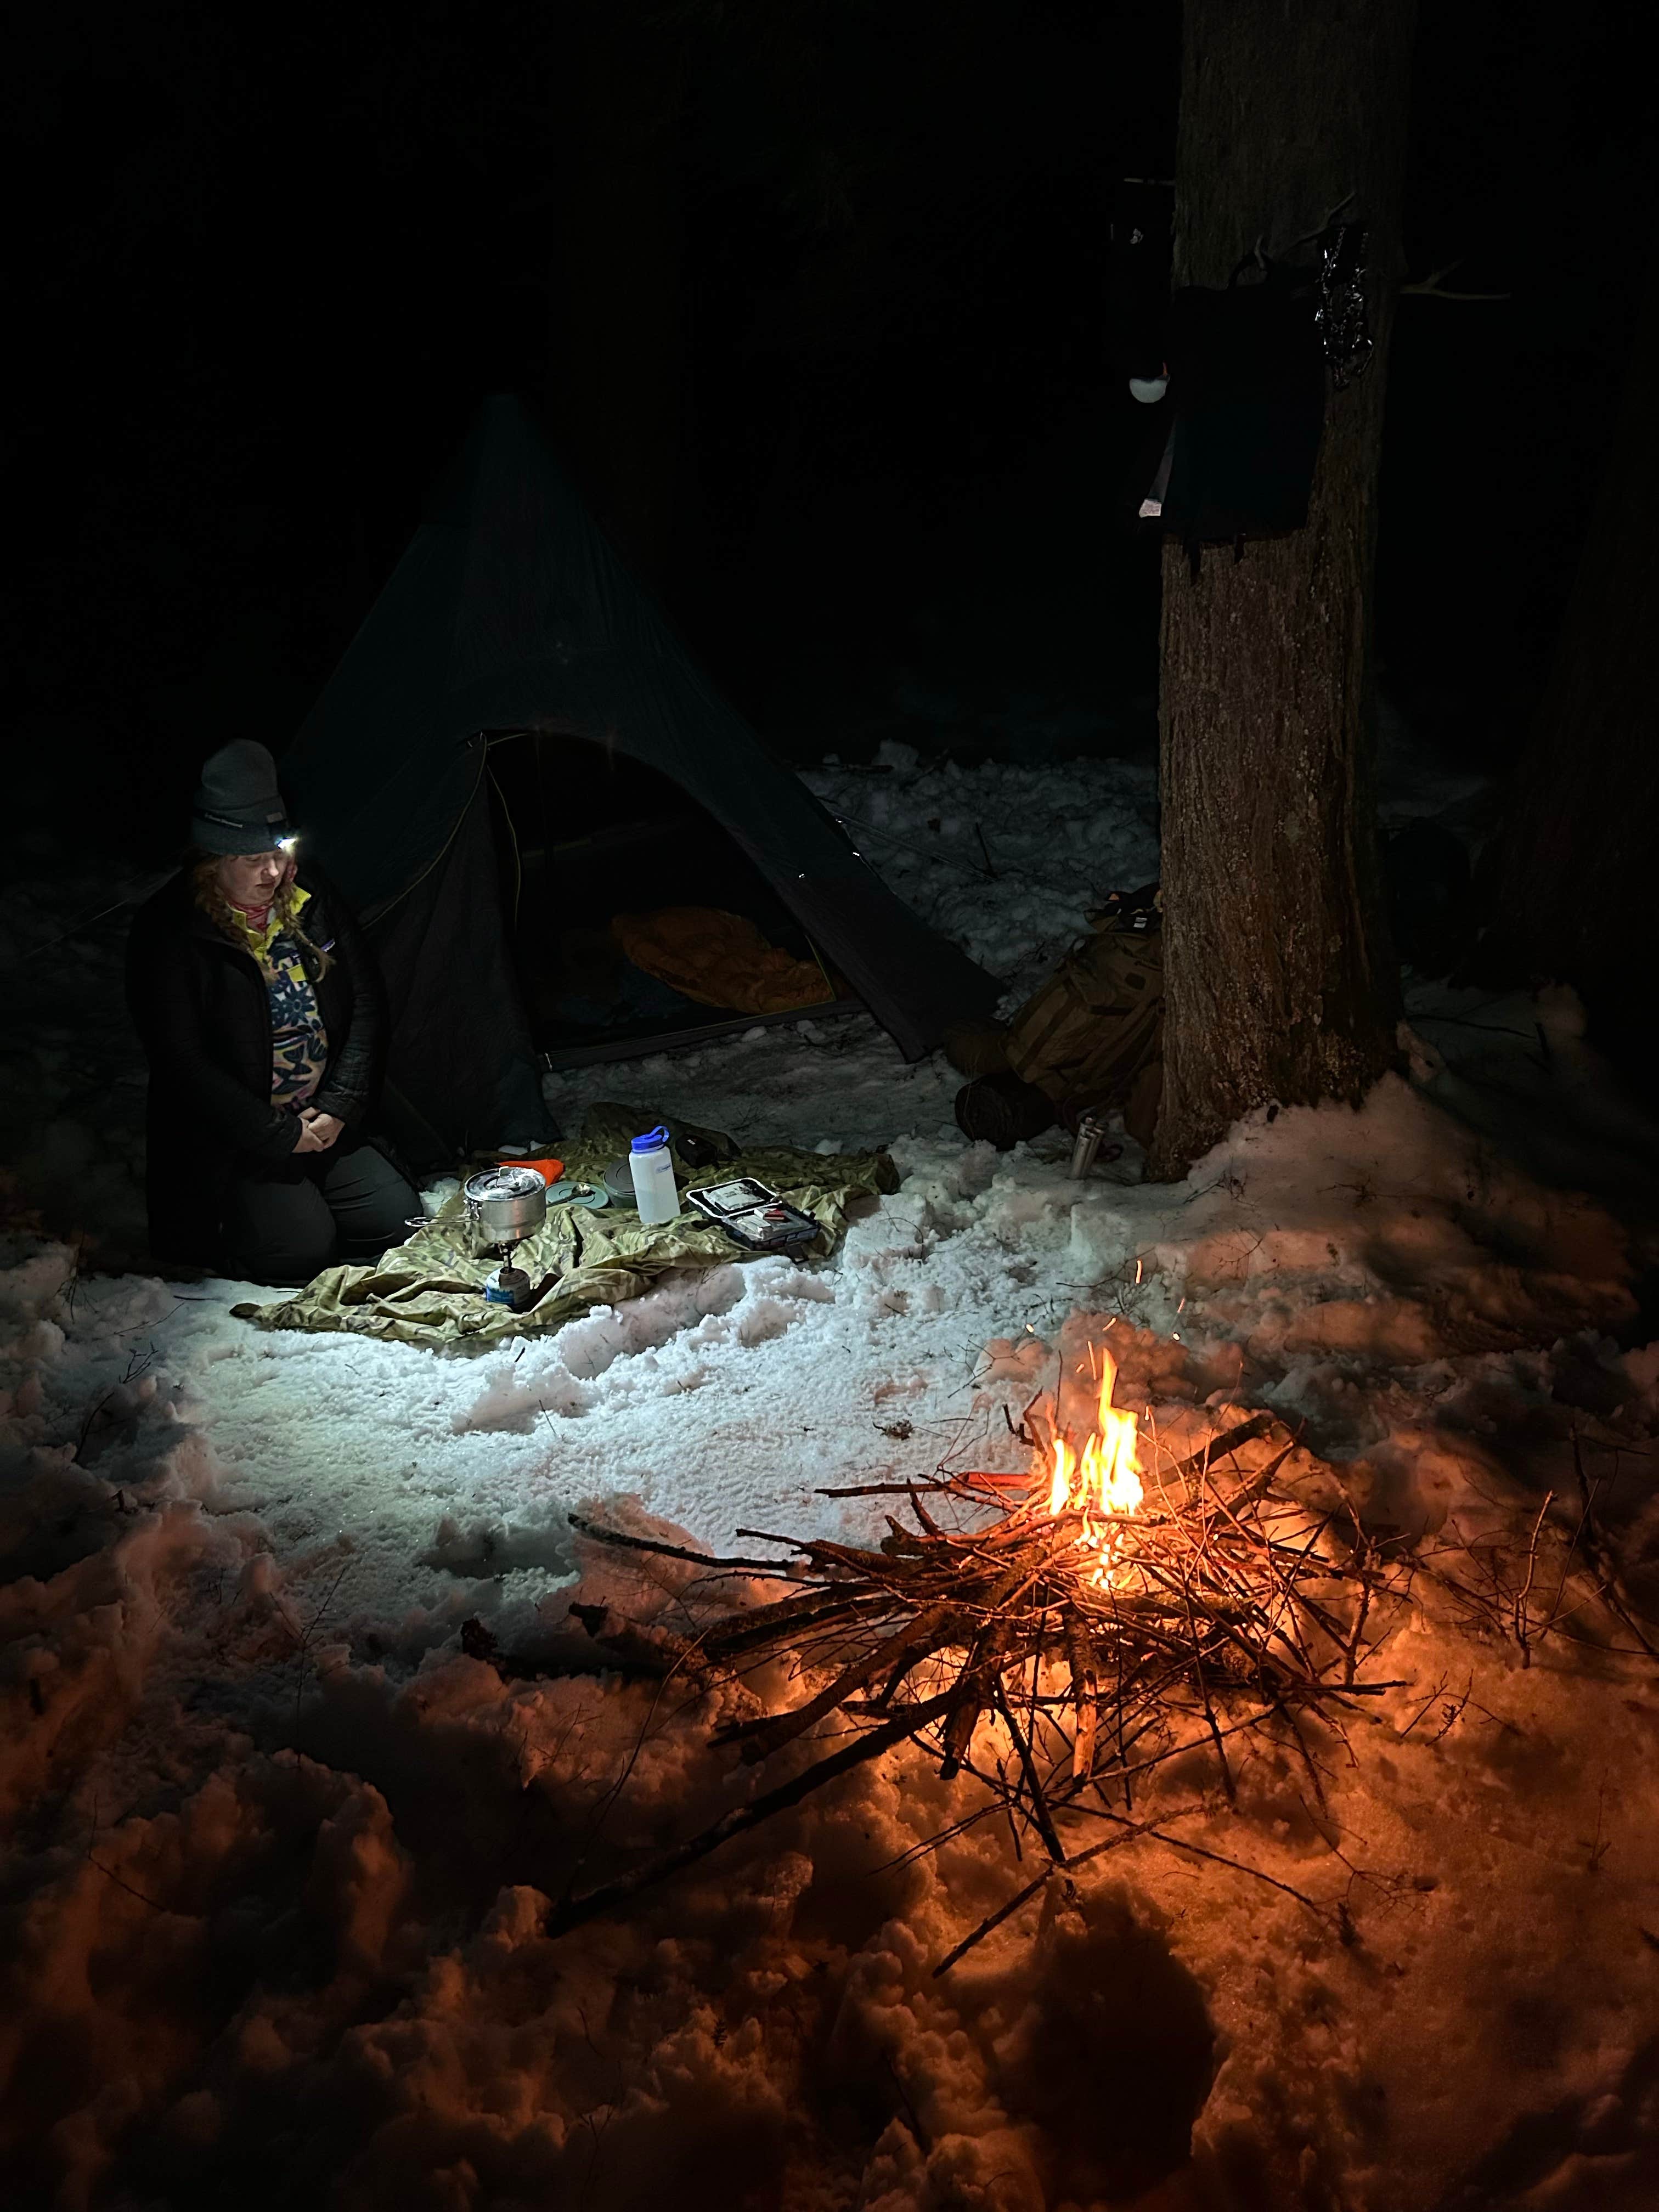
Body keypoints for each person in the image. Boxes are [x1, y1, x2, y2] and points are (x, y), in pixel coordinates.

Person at [126, 739, 419, 1284]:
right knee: (301, 1251)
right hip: (239, 1140)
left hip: (320, 1118)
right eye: (251, 860)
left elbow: (366, 1005)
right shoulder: (171, 931)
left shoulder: (311, 898)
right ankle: (240, 1230)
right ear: (213, 861)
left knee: (396, 1221)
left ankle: (310, 1197)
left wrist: (340, 1105)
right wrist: (276, 1134)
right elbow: (183, 1062)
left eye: (281, 851)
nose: (273, 871)